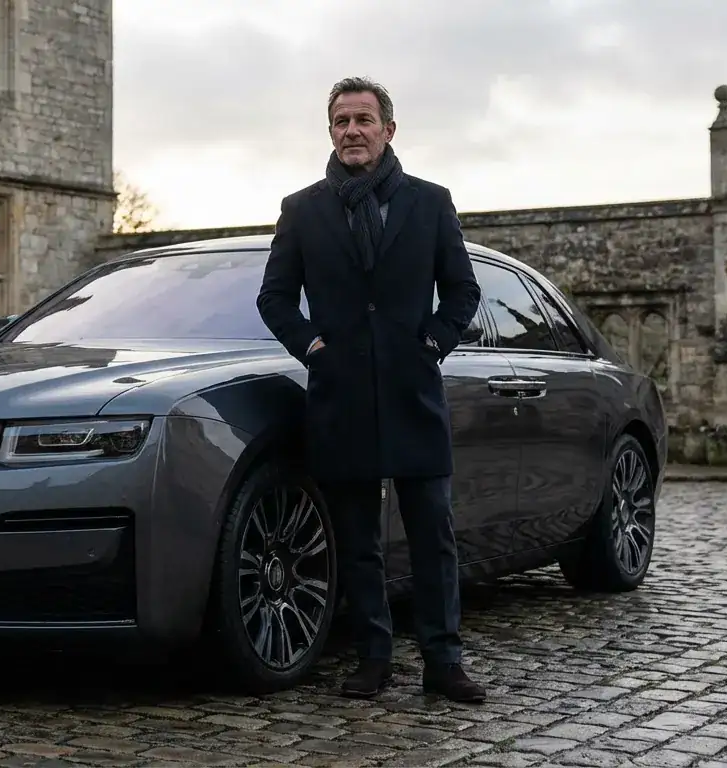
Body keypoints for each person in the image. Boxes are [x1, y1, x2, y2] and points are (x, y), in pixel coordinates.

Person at [255, 76, 486, 702]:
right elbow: (274, 298)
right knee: (357, 542)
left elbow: (463, 291)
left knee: (433, 538)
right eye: (340, 121)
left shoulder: (430, 202)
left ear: (388, 129)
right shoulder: (302, 209)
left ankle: (444, 662)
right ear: (329, 131)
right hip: (341, 397)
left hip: (413, 394)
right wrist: (311, 348)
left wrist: (432, 343)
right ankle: (373, 659)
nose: (351, 131)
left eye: (363, 119)